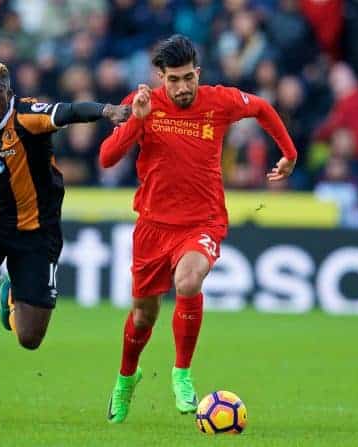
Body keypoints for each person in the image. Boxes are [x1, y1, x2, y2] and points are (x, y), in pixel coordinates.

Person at [99, 35, 297, 423]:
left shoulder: (218, 101)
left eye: (189, 77)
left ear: (198, 73)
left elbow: (262, 108)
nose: (183, 87)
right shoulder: (142, 104)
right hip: (153, 226)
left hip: (202, 222)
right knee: (143, 317)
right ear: (160, 78)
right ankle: (126, 379)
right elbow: (107, 158)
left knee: (189, 281)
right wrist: (135, 121)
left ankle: (182, 373)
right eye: (174, 80)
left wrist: (289, 154)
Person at [0, 60, 130, 420]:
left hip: (37, 230)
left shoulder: (26, 114)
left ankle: (11, 285)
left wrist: (107, 111)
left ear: (8, 92)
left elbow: (69, 112)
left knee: (29, 338)